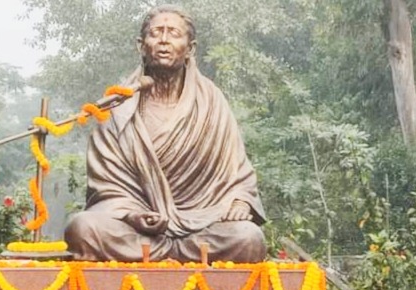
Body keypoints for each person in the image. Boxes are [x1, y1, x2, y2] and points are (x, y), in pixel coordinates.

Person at [64, 4, 266, 263]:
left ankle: (168, 253)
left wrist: (239, 202)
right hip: (139, 233)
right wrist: (132, 215)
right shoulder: (117, 106)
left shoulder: (211, 103)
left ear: (190, 48)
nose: (163, 40)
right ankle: (169, 252)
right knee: (82, 228)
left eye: (174, 33)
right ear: (141, 45)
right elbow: (107, 185)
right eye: (156, 32)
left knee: (248, 238)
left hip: (202, 227)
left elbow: (237, 170)